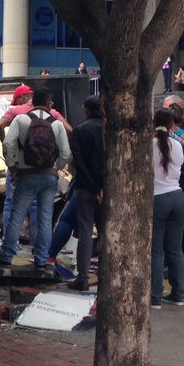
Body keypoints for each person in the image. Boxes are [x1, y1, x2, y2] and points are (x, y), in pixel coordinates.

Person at [0, 89, 72, 269]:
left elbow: (8, 143)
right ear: (49, 105)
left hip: (26, 175)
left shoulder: (21, 119)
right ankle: (41, 258)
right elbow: (66, 153)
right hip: (49, 177)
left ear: (32, 102)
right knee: (45, 218)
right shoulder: (56, 124)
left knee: (16, 215)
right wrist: (56, 167)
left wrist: (13, 166)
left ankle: (7, 256)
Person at [67, 95, 106, 292]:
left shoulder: (79, 130)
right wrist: (101, 187)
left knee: (85, 233)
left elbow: (78, 162)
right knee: (106, 233)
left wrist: (92, 186)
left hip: (85, 188)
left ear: (87, 110)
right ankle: (106, 276)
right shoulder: (110, 130)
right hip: (107, 189)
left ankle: (82, 278)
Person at [150, 109, 184, 308]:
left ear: (153, 123)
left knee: (156, 251)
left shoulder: (150, 145)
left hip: (158, 197)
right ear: (173, 124)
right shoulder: (178, 145)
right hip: (177, 196)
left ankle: (155, 296)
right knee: (175, 249)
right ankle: (178, 293)